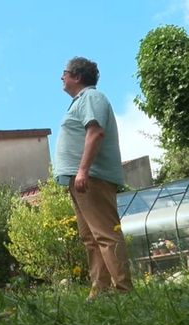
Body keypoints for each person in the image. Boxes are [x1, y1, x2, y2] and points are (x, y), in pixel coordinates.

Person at [54, 56, 133, 300]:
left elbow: (95, 131)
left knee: (105, 234)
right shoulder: (81, 100)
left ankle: (124, 291)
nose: (61, 77)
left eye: (65, 73)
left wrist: (83, 170)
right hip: (82, 180)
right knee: (90, 238)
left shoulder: (91, 97)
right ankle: (100, 291)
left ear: (77, 76)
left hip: (91, 178)